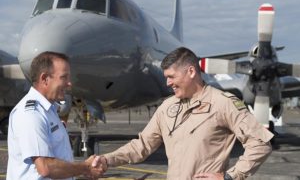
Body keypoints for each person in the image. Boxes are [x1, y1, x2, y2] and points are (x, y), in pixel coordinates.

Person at [95, 47, 274, 180]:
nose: (167, 83)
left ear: (191, 71)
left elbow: (260, 143)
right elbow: (141, 146)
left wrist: (230, 176)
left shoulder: (223, 103)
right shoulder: (167, 108)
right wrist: (107, 159)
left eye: (171, 77)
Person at [7, 51, 107, 180]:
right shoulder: (31, 115)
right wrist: (86, 167)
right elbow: (45, 168)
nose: (69, 83)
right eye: (64, 77)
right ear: (45, 79)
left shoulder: (49, 110)